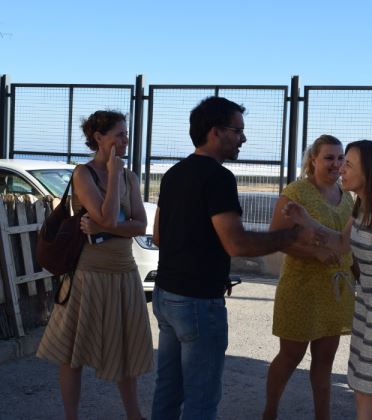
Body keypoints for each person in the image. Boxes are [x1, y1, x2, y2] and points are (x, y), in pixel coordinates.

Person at [151, 96, 318, 420]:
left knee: (167, 393)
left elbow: (159, 236)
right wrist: (293, 236)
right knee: (201, 398)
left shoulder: (173, 174)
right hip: (199, 301)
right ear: (215, 132)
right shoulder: (219, 178)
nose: (243, 138)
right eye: (237, 130)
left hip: (166, 295)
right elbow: (237, 243)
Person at [285, 140, 372, 420]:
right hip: (368, 304)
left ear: (370, 171)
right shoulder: (362, 205)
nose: (341, 170)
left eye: (348, 164)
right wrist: (305, 220)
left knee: (367, 388)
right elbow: (340, 243)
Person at [37, 110, 153, 420]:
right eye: (119, 135)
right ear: (99, 138)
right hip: (90, 273)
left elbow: (139, 225)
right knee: (71, 352)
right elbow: (105, 214)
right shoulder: (83, 174)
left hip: (124, 271)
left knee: (125, 348)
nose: (125, 141)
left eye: (126, 135)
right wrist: (113, 178)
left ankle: (134, 415)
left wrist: (106, 225)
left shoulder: (130, 176)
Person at [263, 135, 355, 420]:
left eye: (341, 158)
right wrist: (313, 253)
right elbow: (275, 239)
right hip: (301, 289)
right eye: (329, 157)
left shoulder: (346, 195)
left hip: (335, 292)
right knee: (291, 357)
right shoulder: (297, 191)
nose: (336, 164)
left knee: (325, 361)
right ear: (313, 160)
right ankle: (270, 411)